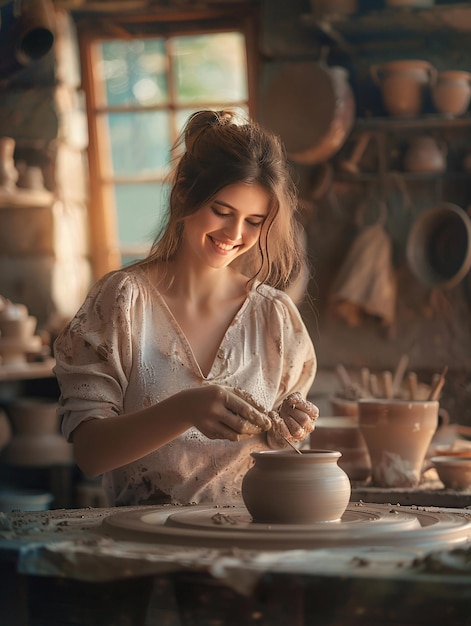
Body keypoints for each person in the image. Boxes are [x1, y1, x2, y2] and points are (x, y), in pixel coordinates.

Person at [53, 109, 318, 507]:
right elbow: (90, 454)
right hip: (146, 548)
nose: (234, 234)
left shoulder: (274, 318)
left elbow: (287, 459)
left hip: (249, 546)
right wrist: (185, 409)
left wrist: (289, 428)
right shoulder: (122, 302)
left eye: (253, 221)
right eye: (222, 212)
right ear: (182, 193)